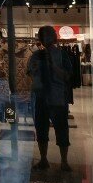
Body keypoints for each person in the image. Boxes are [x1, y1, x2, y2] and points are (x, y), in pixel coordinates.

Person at [27, 25, 74, 172]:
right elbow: (30, 73)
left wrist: (52, 66)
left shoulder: (61, 55)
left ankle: (64, 161)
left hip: (57, 96)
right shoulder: (36, 55)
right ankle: (44, 159)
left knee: (61, 128)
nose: (46, 38)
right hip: (42, 96)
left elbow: (67, 75)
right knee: (41, 129)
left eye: (49, 34)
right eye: (44, 35)